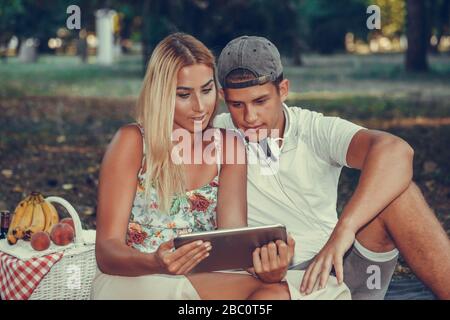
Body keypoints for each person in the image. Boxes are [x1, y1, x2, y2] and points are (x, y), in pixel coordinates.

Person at [90, 33, 350, 300]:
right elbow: (107, 252)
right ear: (161, 94)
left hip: (205, 278)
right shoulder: (132, 142)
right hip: (135, 278)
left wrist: (267, 269)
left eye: (206, 90)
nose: (200, 107)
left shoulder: (228, 146)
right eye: (183, 94)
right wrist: (155, 262)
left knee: (292, 290)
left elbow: (235, 243)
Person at [213, 35, 450, 300]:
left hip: (338, 266)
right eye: (237, 105)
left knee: (402, 197)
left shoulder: (313, 129)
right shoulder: (211, 135)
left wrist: (344, 229)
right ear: (223, 97)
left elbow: (396, 151)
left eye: (260, 101)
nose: (250, 117)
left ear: (283, 90)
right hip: (273, 285)